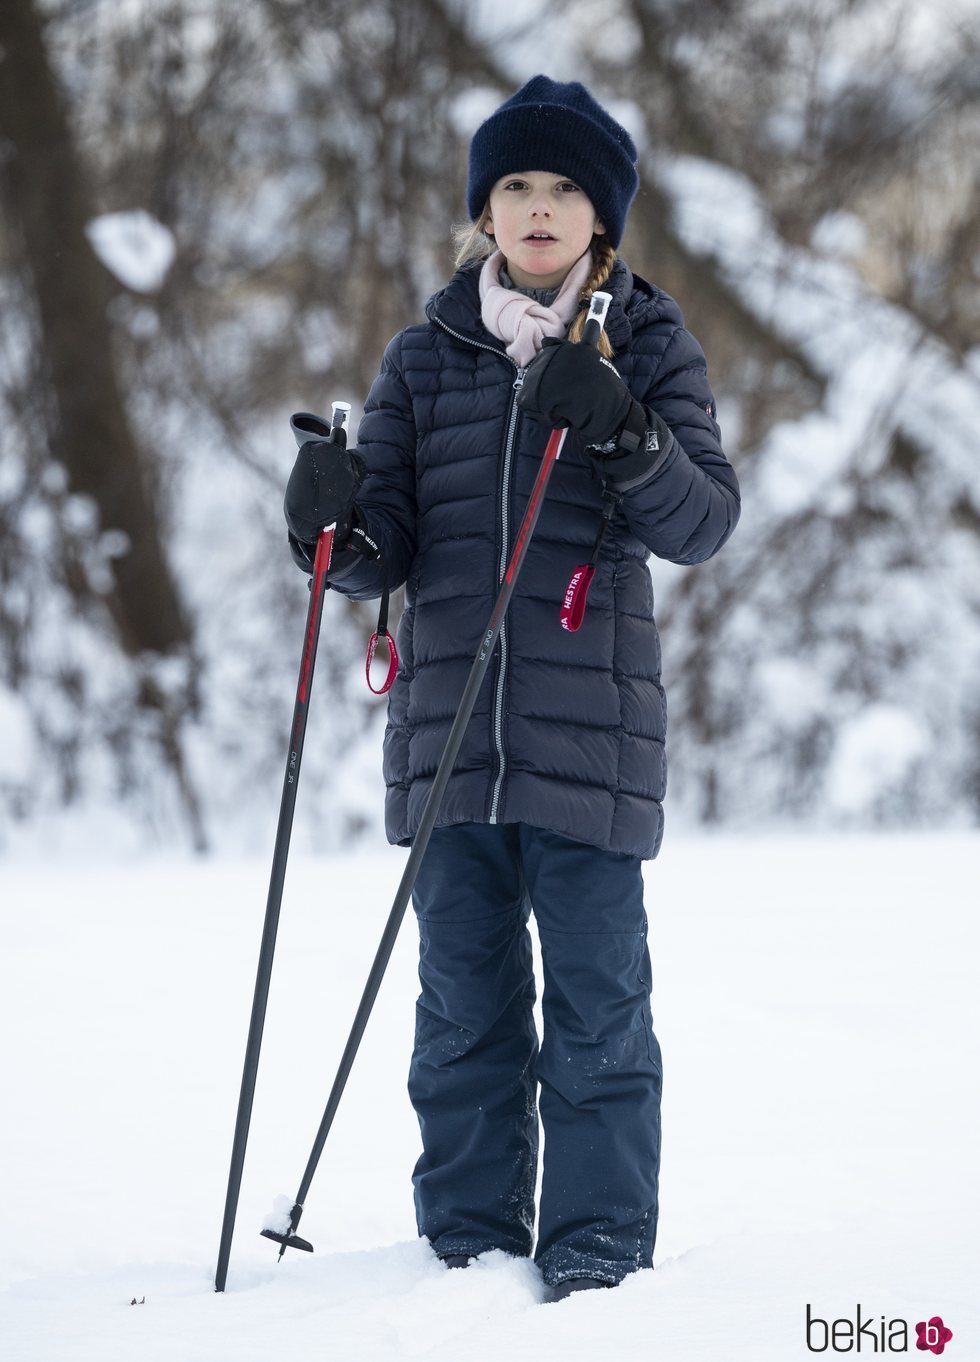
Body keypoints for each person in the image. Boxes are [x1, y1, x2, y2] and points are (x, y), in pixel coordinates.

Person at [284, 75, 740, 1301]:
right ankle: (469, 1251)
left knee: (597, 1013)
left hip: (587, 742)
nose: (538, 207)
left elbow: (700, 523)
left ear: (604, 216)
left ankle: (596, 1255)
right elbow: (380, 548)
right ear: (483, 209)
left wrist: (626, 432)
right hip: (448, 744)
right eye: (515, 186)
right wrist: (325, 522)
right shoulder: (424, 356)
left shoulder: (646, 340)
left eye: (565, 187)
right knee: (461, 1014)